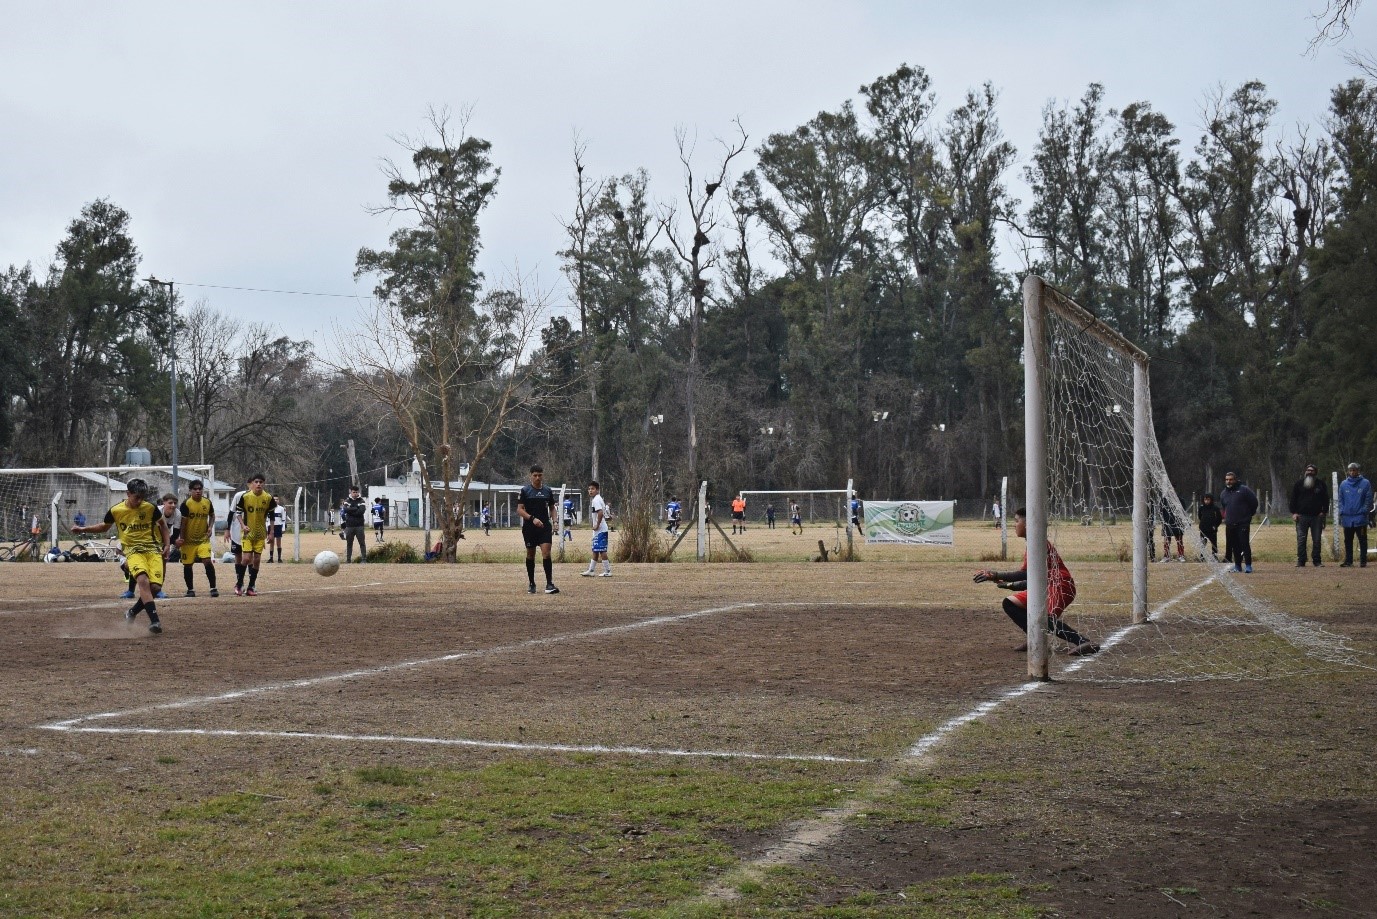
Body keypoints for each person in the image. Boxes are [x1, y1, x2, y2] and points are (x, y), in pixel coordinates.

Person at [973, 507, 1098, 656]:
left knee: (1046, 619)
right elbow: (1028, 577)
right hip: (1044, 587)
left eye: (1017, 521)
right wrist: (1003, 582)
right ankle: (1035, 637)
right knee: (1009, 603)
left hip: (1060, 585)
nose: (1014, 525)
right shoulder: (1033, 542)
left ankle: (1083, 642)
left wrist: (995, 575)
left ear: (1027, 524)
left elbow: (1025, 574)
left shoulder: (1038, 542)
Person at [72, 478, 169, 634]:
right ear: (128, 494)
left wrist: (167, 545)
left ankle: (131, 612)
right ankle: (155, 621)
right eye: (137, 497)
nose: (140, 500)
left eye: (142, 497)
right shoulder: (116, 510)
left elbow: (163, 526)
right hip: (132, 551)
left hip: (152, 550)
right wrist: (84, 528)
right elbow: (104, 527)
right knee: (143, 580)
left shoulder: (150, 508)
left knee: (155, 588)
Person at [233, 474, 277, 596]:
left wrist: (271, 532)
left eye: (261, 482)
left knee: (257, 560)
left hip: (260, 533)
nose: (258, 484)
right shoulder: (246, 497)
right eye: (256, 482)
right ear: (252, 483)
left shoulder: (268, 498)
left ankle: (251, 586)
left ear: (264, 484)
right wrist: (243, 525)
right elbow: (238, 513)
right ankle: (239, 584)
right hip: (247, 533)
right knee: (246, 558)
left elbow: (272, 516)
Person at [517, 465, 559, 594]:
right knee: (531, 555)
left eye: (540, 475)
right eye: (535, 475)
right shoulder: (525, 491)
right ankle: (532, 583)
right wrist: (532, 518)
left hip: (544, 527)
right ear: (531, 475)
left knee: (546, 553)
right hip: (530, 527)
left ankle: (549, 584)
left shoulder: (547, 491)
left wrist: (555, 521)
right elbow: (519, 510)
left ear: (542, 475)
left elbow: (552, 507)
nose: (537, 478)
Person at [177, 479, 218, 597]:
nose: (198, 491)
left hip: (202, 539)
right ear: (190, 491)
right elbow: (183, 523)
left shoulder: (207, 502)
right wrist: (182, 539)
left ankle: (213, 588)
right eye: (195, 489)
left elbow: (212, 515)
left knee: (207, 560)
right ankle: (190, 590)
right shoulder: (186, 504)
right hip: (188, 542)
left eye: (200, 489)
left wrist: (210, 527)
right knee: (188, 565)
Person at [1290, 463, 1330, 568]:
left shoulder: (1321, 484)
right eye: (1308, 470)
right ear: (1305, 471)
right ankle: (1301, 561)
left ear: (1315, 472)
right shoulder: (1299, 484)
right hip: (1301, 516)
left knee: (1316, 540)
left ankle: (1317, 561)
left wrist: (1324, 512)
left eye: (1312, 471)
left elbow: (1326, 499)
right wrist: (1294, 512)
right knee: (1301, 539)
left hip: (1316, 517)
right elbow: (1293, 499)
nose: (1309, 472)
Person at [1219, 471, 1259, 573]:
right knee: (1234, 546)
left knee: (1244, 544)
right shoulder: (1223, 493)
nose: (1229, 482)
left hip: (1243, 523)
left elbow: (1254, 502)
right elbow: (1224, 507)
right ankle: (1237, 565)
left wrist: (1248, 515)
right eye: (1227, 480)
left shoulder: (1244, 490)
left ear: (1235, 480)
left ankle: (1248, 565)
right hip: (1230, 523)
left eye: (1231, 479)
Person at [1338, 462, 1372, 568]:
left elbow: (1368, 498)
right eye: (1351, 470)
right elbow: (1340, 499)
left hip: (1360, 517)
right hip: (1347, 518)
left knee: (1362, 539)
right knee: (1348, 540)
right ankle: (1349, 561)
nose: (1352, 472)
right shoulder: (1343, 484)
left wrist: (1364, 510)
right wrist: (1342, 511)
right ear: (1348, 471)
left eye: (1354, 470)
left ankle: (1363, 560)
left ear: (1358, 471)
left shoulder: (1365, 483)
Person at [580, 480, 612, 577]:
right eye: (589, 489)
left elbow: (600, 512)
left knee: (602, 550)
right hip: (599, 530)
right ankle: (591, 570)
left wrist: (597, 525)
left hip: (600, 529)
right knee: (595, 549)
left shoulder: (596, 500)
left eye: (593, 489)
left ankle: (608, 571)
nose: (590, 491)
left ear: (597, 490)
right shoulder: (597, 499)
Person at [340, 485, 368, 563]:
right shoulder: (347, 500)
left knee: (362, 543)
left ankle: (364, 559)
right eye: (353, 492)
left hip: (359, 525)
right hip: (349, 526)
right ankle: (348, 560)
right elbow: (345, 509)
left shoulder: (362, 501)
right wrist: (356, 508)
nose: (355, 494)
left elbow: (361, 511)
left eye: (356, 492)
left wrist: (351, 510)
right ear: (351, 492)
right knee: (349, 543)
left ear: (358, 492)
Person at [1159, 495, 1185, 562]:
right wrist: (1163, 521)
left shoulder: (1180, 499)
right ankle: (1166, 556)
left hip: (1177, 523)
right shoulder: (1163, 500)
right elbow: (1160, 511)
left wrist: (1181, 521)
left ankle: (1181, 555)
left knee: (1179, 540)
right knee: (1167, 541)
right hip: (1167, 523)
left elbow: (1183, 511)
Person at [1197, 493, 1222, 560]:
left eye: (1208, 499)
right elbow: (1200, 516)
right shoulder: (1201, 508)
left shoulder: (1215, 508)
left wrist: (1215, 525)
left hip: (1212, 530)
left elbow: (1219, 518)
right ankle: (1202, 556)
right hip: (1203, 529)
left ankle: (1215, 556)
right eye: (1205, 499)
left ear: (1211, 500)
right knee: (1203, 543)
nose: (1207, 501)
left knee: (1214, 544)